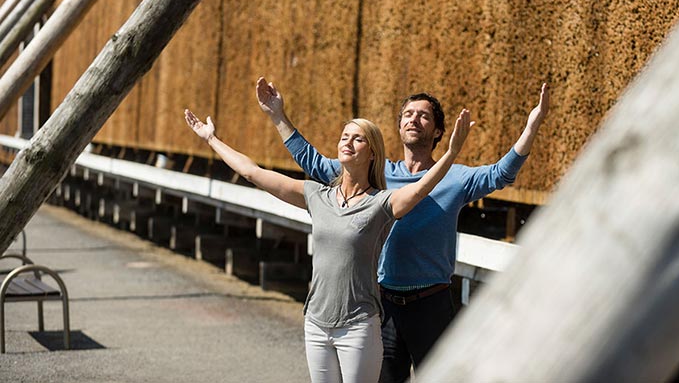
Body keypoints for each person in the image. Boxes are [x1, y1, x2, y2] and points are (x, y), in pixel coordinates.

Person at [257, 77, 550, 382]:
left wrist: (531, 127)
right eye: (408, 114)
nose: (414, 119)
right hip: (383, 306)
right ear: (399, 127)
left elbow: (501, 174)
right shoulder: (375, 172)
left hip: (432, 306)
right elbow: (314, 163)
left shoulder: (455, 178)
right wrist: (277, 116)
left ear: (438, 131)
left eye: (424, 116)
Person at [184, 103, 473, 383]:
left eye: (358, 138)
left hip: (359, 326)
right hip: (316, 323)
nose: (348, 142)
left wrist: (450, 154)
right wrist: (211, 139)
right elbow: (252, 172)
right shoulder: (316, 196)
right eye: (345, 136)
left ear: (372, 153)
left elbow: (420, 190)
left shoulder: (381, 203)